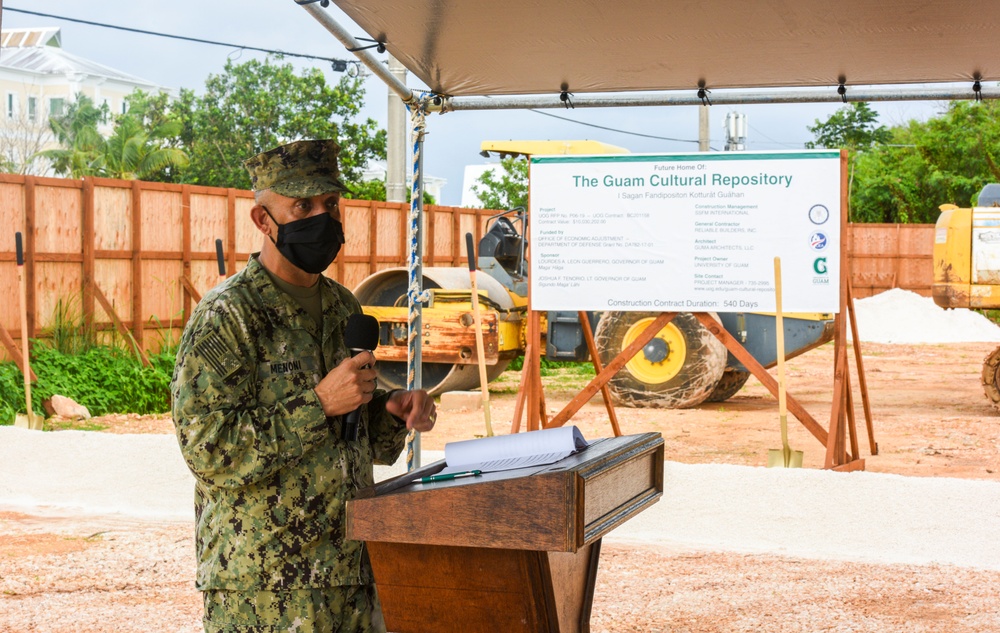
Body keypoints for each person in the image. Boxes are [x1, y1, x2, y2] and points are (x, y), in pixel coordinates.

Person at [171, 139, 436, 633]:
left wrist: (390, 411)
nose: (322, 218)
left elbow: (360, 441)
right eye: (302, 206)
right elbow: (208, 451)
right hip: (265, 587)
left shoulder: (344, 307)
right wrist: (317, 404)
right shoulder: (229, 315)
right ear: (263, 220)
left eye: (330, 204)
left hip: (352, 573)